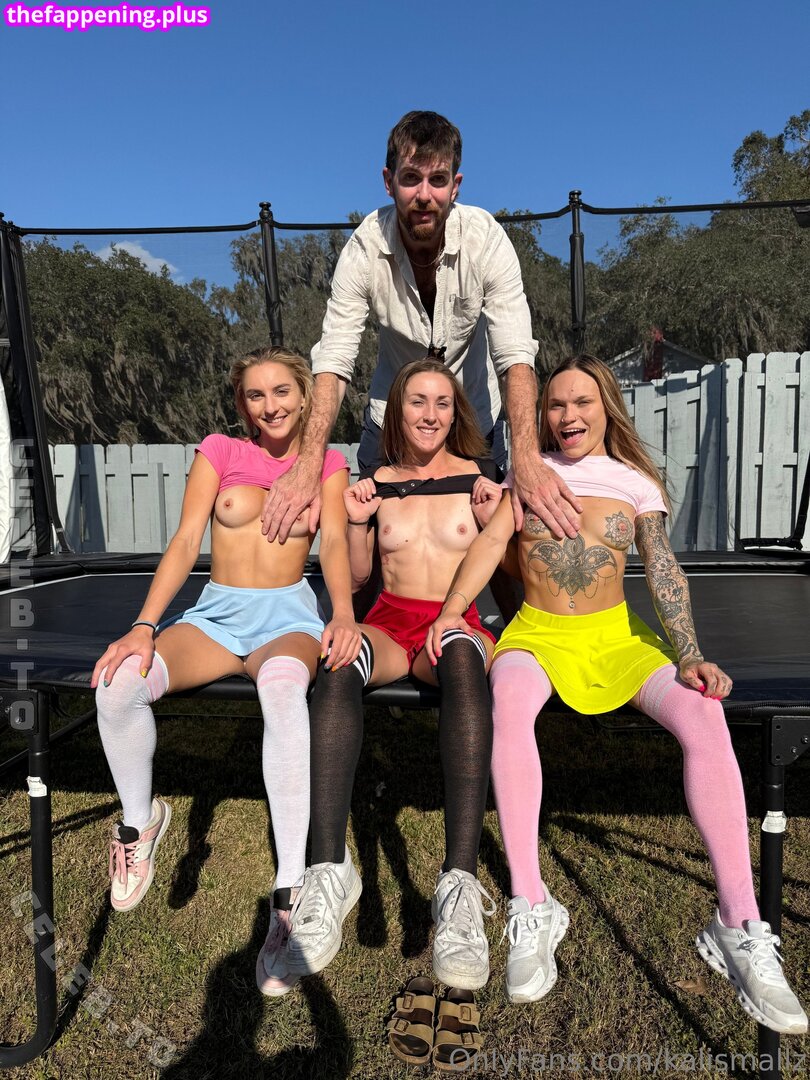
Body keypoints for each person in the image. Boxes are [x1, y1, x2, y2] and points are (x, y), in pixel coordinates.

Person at [427, 355, 808, 1034]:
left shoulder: (634, 482)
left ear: (607, 407)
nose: (568, 416)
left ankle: (738, 923)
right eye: (555, 405)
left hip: (617, 637)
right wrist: (453, 611)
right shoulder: (529, 475)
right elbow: (489, 545)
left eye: (582, 403)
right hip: (538, 635)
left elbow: (662, 567)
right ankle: (531, 904)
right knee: (506, 699)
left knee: (703, 712)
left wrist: (689, 653)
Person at [90, 346, 362, 998]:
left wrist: (343, 614)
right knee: (118, 685)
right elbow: (187, 540)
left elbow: (333, 544)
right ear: (242, 404)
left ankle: (290, 892)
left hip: (287, 618)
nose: (269, 406)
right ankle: (140, 822)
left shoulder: (326, 462)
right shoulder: (219, 450)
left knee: (284, 694)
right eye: (255, 395)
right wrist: (144, 625)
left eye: (281, 392)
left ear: (305, 396)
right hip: (216, 616)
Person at [260, 110, 583, 547]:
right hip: (391, 422)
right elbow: (334, 361)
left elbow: (515, 357)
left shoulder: (487, 240)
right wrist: (307, 464)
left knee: (496, 550)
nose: (425, 195)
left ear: (456, 185)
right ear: (388, 181)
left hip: (475, 419)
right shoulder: (364, 248)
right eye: (411, 178)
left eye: (438, 180)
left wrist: (526, 459)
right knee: (377, 553)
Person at [283, 359, 504, 991]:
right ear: (396, 412)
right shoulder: (375, 483)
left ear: (455, 412)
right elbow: (357, 578)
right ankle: (329, 868)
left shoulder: (481, 480)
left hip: (451, 624)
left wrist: (495, 520)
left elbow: (506, 565)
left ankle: (459, 886)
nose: (430, 414)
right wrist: (356, 521)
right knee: (337, 662)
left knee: (462, 655)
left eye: (442, 402)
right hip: (389, 621)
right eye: (417, 402)